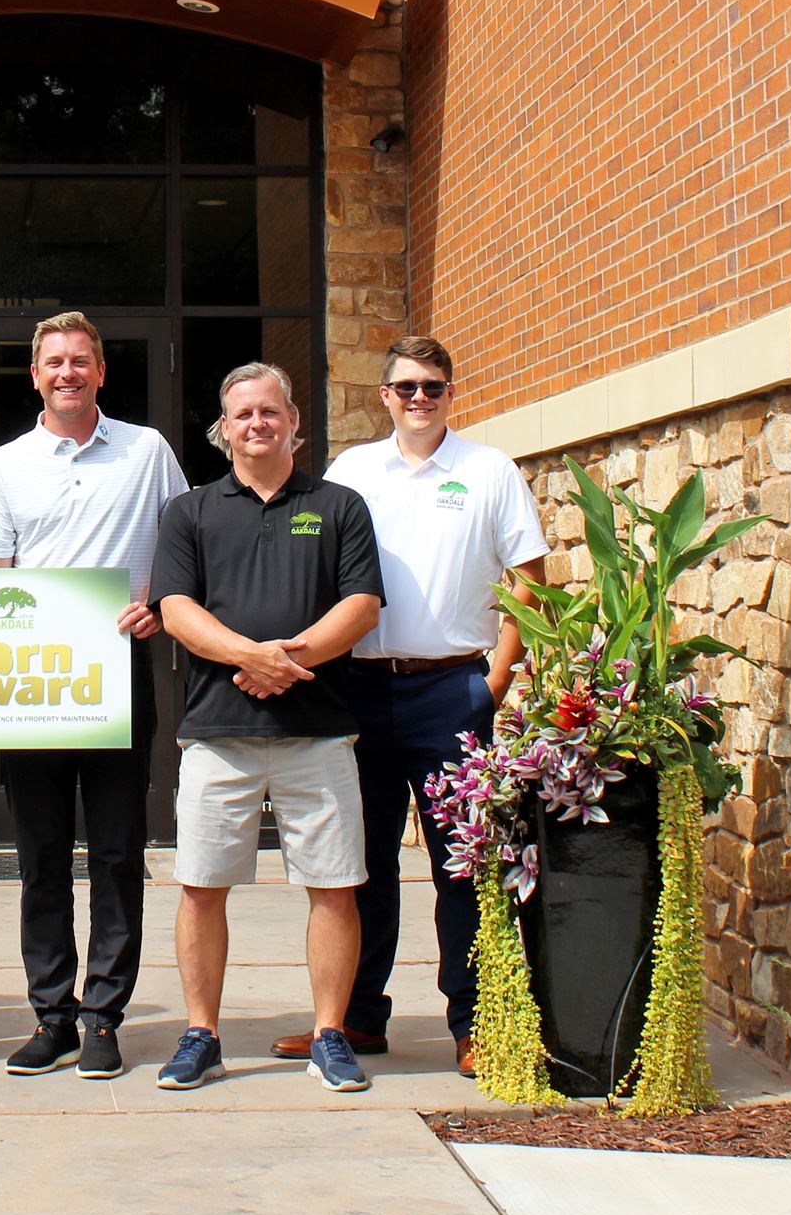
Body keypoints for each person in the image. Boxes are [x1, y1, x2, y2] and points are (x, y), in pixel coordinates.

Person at [289, 334, 550, 1080]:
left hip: (451, 689)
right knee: (357, 864)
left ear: (450, 392)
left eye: (433, 387)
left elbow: (529, 579)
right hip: (361, 687)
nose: (419, 400)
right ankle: (358, 1019)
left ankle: (472, 1024)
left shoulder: (488, 470)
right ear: (384, 395)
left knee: (460, 866)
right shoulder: (352, 472)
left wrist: (494, 680)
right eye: (406, 387)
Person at [148, 362, 384, 1092]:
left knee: (335, 885)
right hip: (219, 731)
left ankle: (329, 1032)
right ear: (224, 429)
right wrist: (251, 656)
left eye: (270, 411)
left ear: (293, 421)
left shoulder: (340, 505)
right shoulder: (189, 511)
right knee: (201, 884)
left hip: (316, 730)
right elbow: (175, 608)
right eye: (243, 413)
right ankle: (201, 1032)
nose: (257, 423)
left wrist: (285, 660)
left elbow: (362, 605)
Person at [0, 311, 187, 1080]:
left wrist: (159, 604)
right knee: (39, 859)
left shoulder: (147, 450)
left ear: (101, 371)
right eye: (53, 361)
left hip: (117, 669)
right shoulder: (5, 464)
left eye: (80, 360)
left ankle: (103, 1016)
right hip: (30, 679)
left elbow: (182, 544)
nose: (66, 371)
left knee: (118, 852)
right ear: (34, 375)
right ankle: (52, 1016)